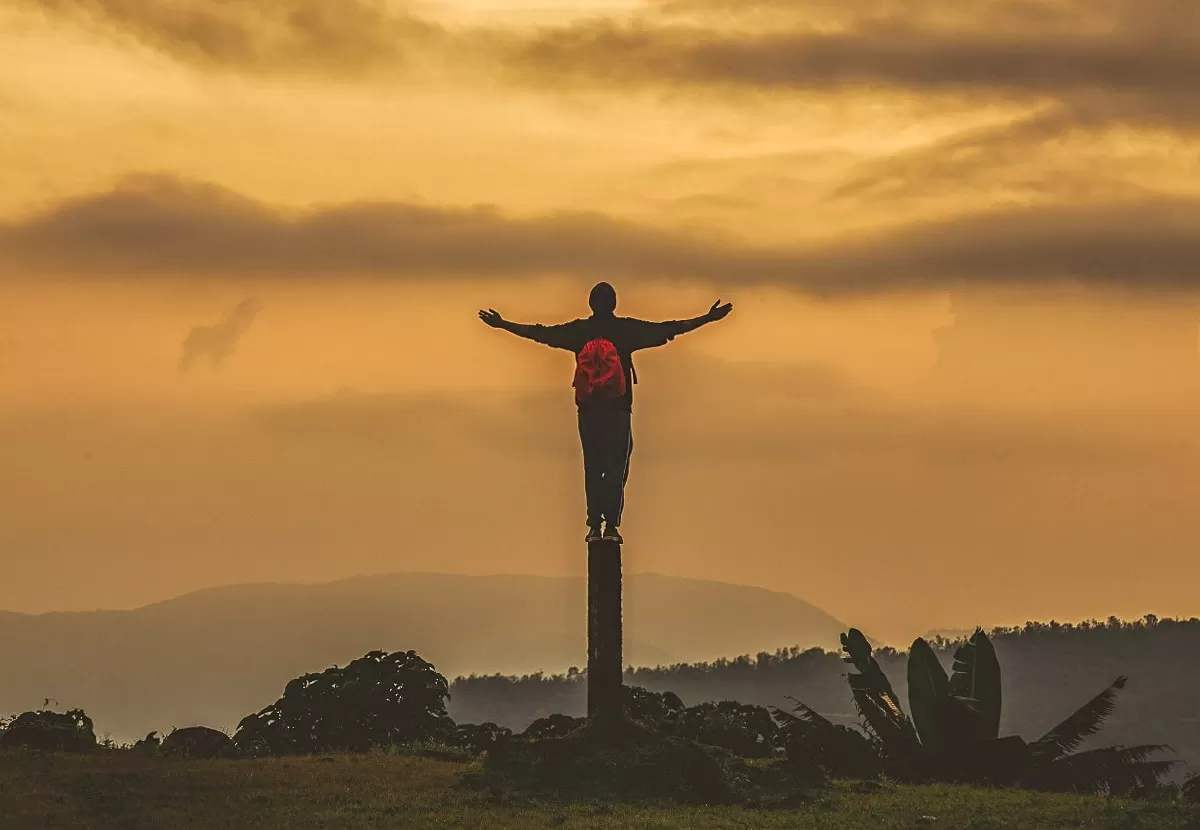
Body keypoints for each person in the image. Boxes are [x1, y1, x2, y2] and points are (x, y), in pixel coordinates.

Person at [478, 282, 733, 544]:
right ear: (614, 304)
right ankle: (611, 526)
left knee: (592, 466)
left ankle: (593, 525)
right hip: (619, 411)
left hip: (588, 411)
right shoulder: (626, 330)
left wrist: (503, 324)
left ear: (591, 304)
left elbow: (540, 333)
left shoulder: (579, 331)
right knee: (616, 467)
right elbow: (669, 328)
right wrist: (707, 318)